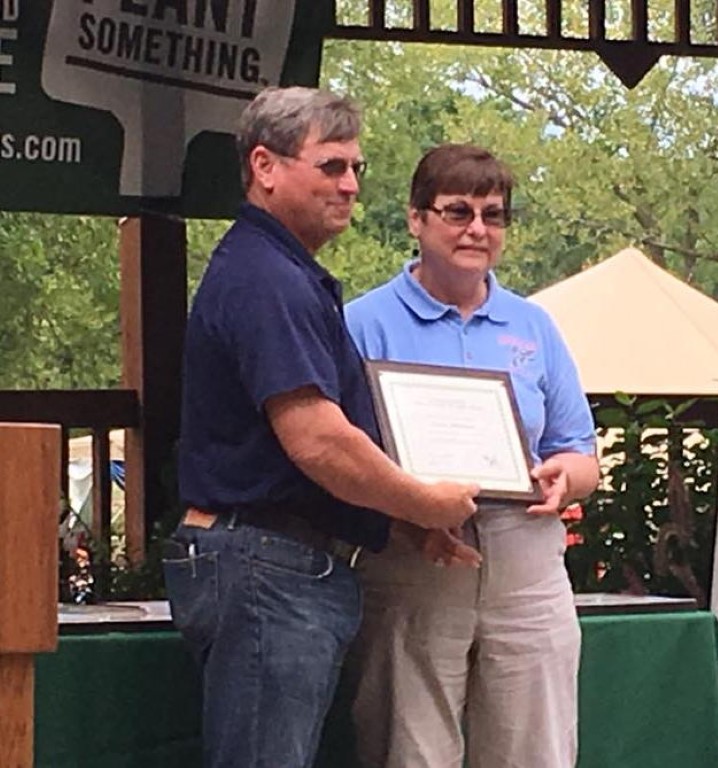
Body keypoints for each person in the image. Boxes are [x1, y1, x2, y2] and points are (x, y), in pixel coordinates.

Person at [163, 89, 479, 768]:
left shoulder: (278, 271)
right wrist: (426, 503)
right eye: (331, 165)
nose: (350, 184)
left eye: (357, 168)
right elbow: (316, 440)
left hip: (274, 562)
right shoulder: (265, 278)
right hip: (265, 566)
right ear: (264, 166)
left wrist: (403, 523)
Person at [342, 143, 600, 768]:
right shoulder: (360, 323)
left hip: (525, 559)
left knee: (534, 750)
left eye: (494, 214)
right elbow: (337, 456)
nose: (477, 229)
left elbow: (582, 452)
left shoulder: (533, 326)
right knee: (409, 748)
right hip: (411, 555)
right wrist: (408, 514)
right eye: (457, 211)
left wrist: (566, 478)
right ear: (416, 220)